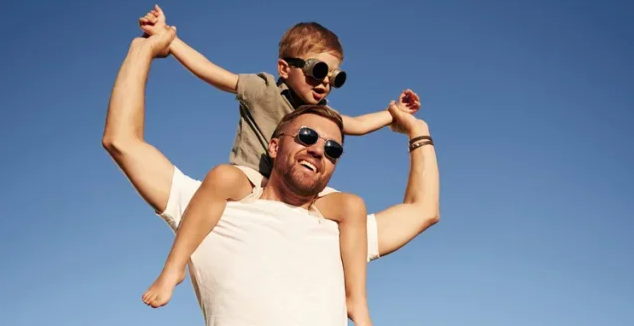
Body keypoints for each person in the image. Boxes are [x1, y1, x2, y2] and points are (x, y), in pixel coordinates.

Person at [102, 25, 439, 325]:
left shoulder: (341, 228)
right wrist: (150, 46)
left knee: (353, 203)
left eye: (334, 149)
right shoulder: (209, 206)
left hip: (325, 217)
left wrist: (412, 127)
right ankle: (170, 270)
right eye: (306, 136)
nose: (320, 150)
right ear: (275, 146)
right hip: (243, 180)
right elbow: (122, 140)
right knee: (222, 176)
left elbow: (424, 210)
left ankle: (357, 301)